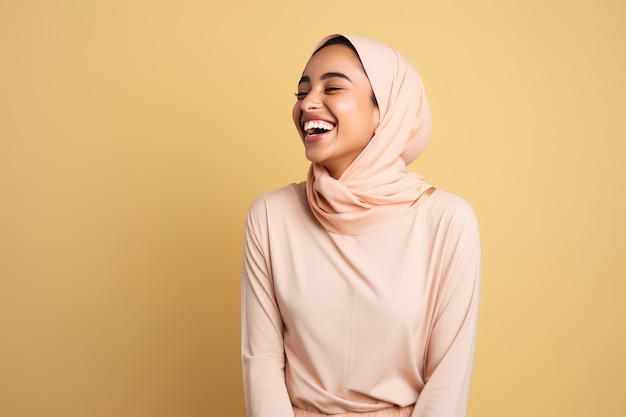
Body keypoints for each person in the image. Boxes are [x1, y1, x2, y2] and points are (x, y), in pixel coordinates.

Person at [241, 34, 481, 417]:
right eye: (302, 91)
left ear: (384, 113)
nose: (308, 103)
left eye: (332, 87)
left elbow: (447, 382)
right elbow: (262, 363)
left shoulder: (447, 221)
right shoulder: (271, 216)